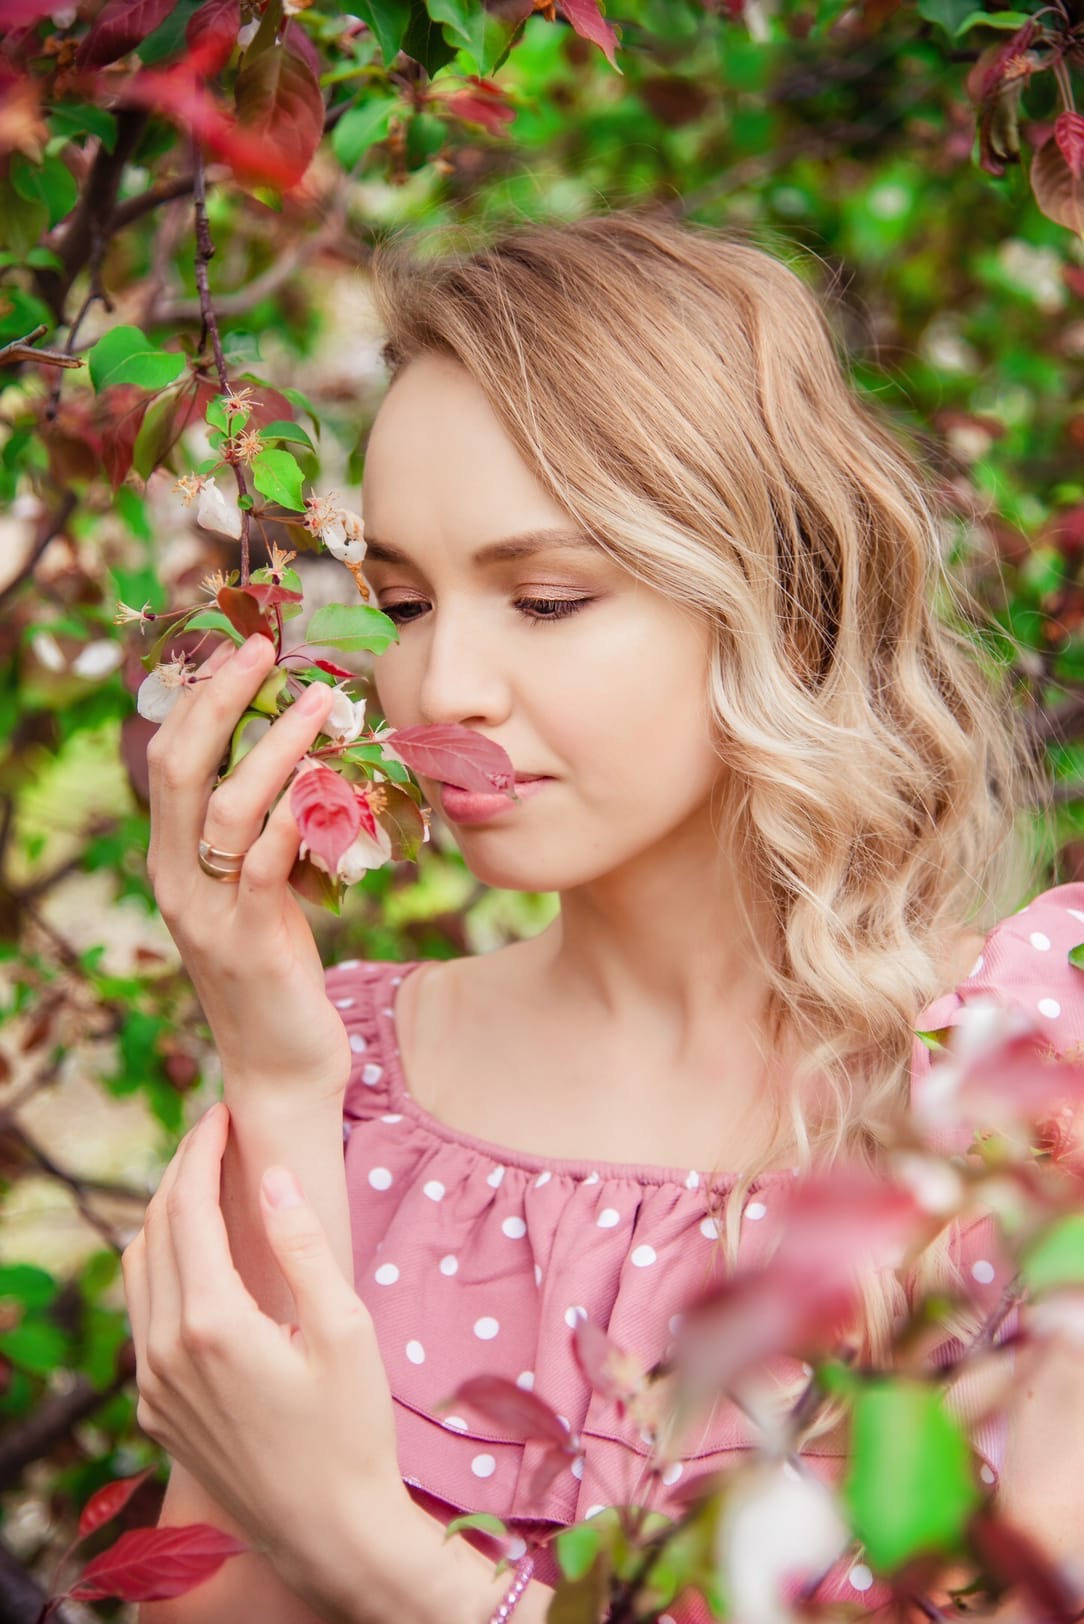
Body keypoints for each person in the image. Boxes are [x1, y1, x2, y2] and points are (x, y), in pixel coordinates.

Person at [120, 212, 1083, 1624]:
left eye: (548, 599)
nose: (443, 685)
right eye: (399, 601)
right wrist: (271, 1064)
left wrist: (368, 1550)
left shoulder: (1037, 1059)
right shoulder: (352, 1079)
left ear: (780, 599)